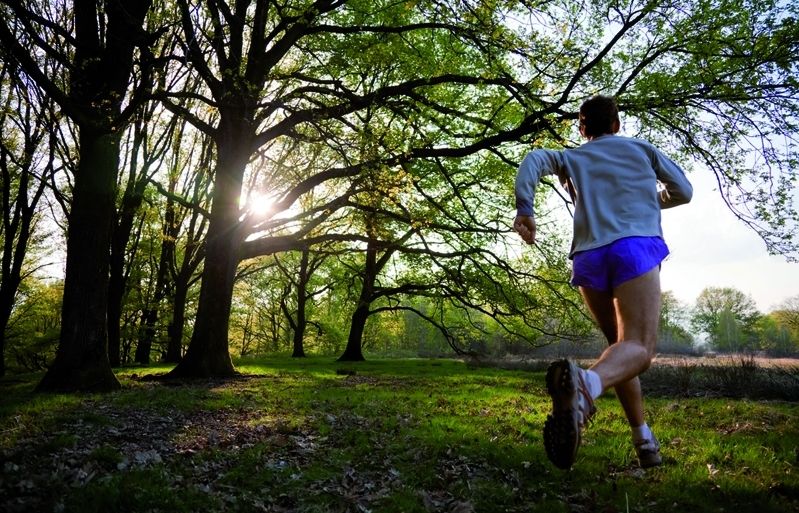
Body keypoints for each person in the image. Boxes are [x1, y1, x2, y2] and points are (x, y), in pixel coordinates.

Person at [513, 95, 693, 470]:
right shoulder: (642, 149)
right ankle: (586, 386)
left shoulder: (573, 156)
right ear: (616, 124)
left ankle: (645, 442)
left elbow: (533, 160)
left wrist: (525, 210)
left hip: (589, 258)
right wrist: (648, 198)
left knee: (619, 349)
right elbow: (684, 191)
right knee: (640, 349)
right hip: (634, 248)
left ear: (582, 129)